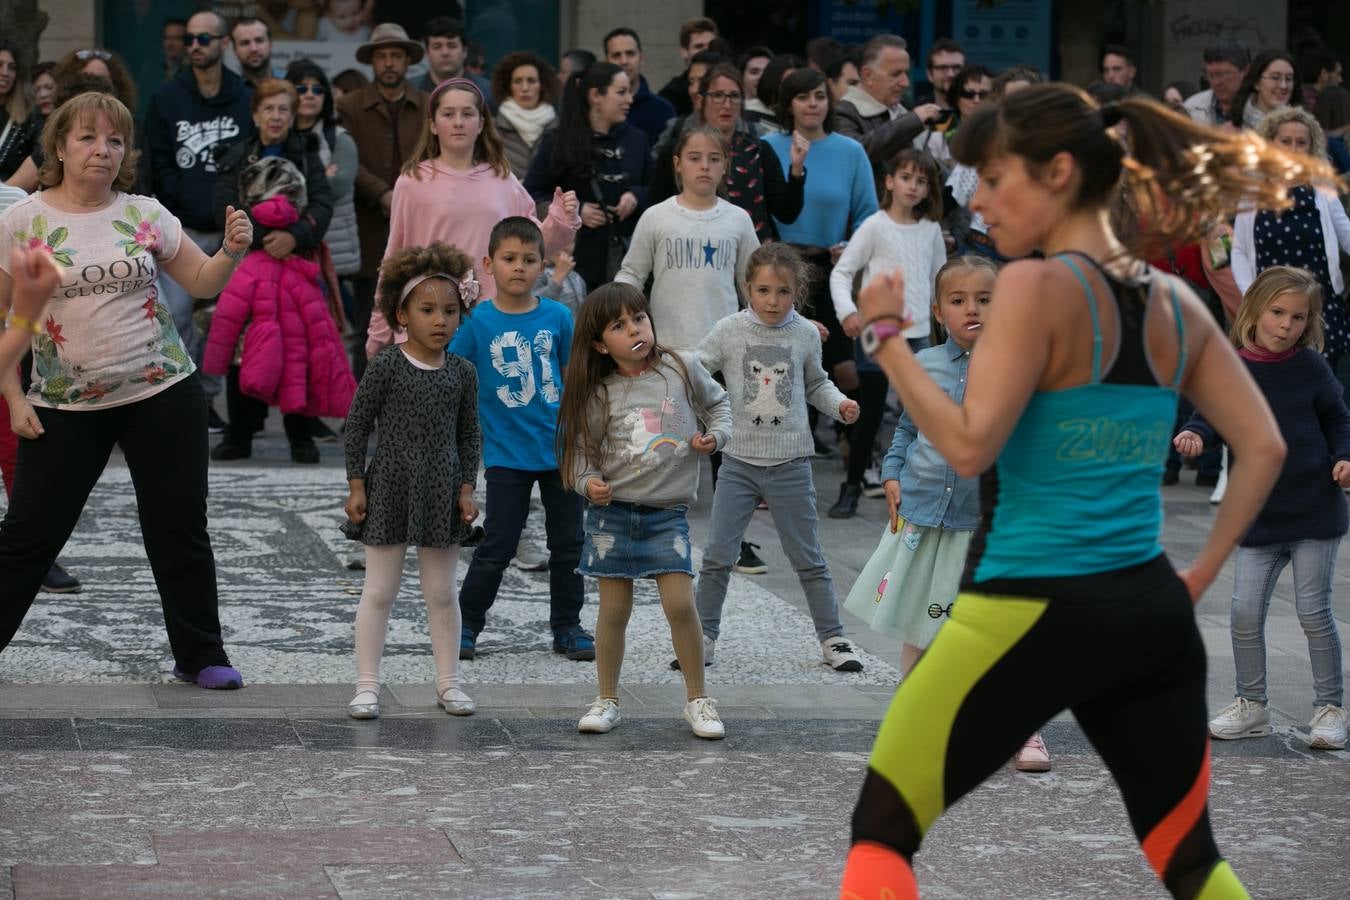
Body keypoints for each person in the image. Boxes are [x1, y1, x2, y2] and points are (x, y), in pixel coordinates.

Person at [836, 82, 1341, 899]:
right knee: (1191, 864)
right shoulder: (1176, 301)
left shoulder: (1034, 288)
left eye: (998, 180)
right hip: (1150, 619)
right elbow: (1263, 444)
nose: (984, 201)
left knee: (881, 840)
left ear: (1060, 172)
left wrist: (888, 337)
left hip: (1024, 608)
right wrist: (1201, 575)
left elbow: (967, 447)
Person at [0, 92, 255, 690]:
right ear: (59, 147)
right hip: (62, 403)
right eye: (88, 138)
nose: (102, 150)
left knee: (179, 526)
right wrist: (12, 398)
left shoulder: (144, 212)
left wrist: (232, 252)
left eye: (114, 140)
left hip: (162, 392)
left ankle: (200, 655)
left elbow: (199, 279)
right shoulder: (22, 220)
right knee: (28, 535)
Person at [1174, 266, 1347, 751]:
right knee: (1245, 613)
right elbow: (1206, 416)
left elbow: (1338, 419)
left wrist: (1345, 457)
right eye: (1277, 312)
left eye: (1298, 317)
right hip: (1256, 514)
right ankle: (1252, 704)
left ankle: (1329, 708)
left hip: (1314, 509)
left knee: (1314, 613)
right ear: (1253, 309)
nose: (1286, 325)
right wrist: (1195, 436)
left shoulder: (1311, 367)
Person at [558, 282, 732, 738]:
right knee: (613, 611)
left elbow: (720, 406)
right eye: (619, 326)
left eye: (639, 317)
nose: (634, 329)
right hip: (612, 515)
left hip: (667, 512)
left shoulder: (681, 366)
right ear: (600, 343)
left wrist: (715, 438)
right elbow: (579, 453)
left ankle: (698, 698)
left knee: (680, 603)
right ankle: (606, 699)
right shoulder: (600, 391)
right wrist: (586, 483)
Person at [690, 242, 864, 672]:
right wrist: (702, 415)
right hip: (738, 463)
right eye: (764, 290)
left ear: (797, 292)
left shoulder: (805, 333)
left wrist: (839, 404)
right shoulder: (729, 329)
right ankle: (701, 636)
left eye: (783, 292)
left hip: (790, 464)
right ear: (747, 286)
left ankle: (833, 638)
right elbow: (696, 368)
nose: (773, 300)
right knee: (717, 555)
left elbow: (817, 384)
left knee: (808, 556)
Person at [342, 242, 481, 720]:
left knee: (442, 592)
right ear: (401, 315)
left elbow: (469, 433)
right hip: (390, 488)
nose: (440, 320)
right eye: (427, 310)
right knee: (380, 590)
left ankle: (448, 683)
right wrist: (357, 484)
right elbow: (357, 424)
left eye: (449, 310)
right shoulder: (386, 366)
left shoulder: (463, 372)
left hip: (443, 492)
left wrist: (467, 489)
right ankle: (366, 685)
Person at [451, 217, 592, 663]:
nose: (519, 268)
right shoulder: (477, 323)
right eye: (509, 259)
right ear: (489, 264)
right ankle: (466, 623)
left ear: (543, 266)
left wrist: (585, 438)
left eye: (530, 260)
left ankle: (567, 627)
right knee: (499, 543)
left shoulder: (558, 316)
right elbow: (453, 378)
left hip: (560, 453)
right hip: (506, 455)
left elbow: (572, 378)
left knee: (568, 543)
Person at [365, 77, 578, 356]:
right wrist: (379, 329)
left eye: (467, 114)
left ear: (480, 124)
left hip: (492, 324)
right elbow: (394, 259)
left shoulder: (504, 180)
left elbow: (536, 249)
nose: (458, 122)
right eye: (448, 114)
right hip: (429, 322)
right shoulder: (412, 181)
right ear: (432, 124)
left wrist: (561, 219)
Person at [206, 77, 341, 464]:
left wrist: (295, 235)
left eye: (284, 109)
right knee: (242, 350)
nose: (276, 116)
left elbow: (322, 205)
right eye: (269, 109)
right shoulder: (236, 157)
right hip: (248, 268)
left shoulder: (306, 156)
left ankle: (300, 435)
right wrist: (265, 235)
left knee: (299, 348)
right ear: (256, 114)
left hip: (295, 267)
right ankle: (241, 433)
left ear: (293, 114)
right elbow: (223, 206)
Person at [143, 10, 253, 430]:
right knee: (179, 316)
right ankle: (187, 398)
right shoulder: (167, 99)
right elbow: (158, 160)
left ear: (224, 44)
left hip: (232, 230)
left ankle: (216, 401)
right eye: (190, 39)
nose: (194, 46)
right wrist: (176, 203)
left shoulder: (245, 97)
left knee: (225, 323)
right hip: (182, 227)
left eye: (204, 39)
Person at [828, 149, 946, 519]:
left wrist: (946, 327)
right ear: (890, 182)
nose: (913, 186)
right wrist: (848, 312)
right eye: (906, 177)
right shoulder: (875, 226)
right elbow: (842, 272)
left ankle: (914, 491)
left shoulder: (930, 232)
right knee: (873, 411)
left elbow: (941, 282)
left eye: (922, 181)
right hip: (878, 332)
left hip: (919, 336)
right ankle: (851, 487)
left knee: (918, 414)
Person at [764, 69, 878, 446]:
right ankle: (790, 451)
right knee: (783, 368)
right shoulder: (769, 146)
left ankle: (855, 453)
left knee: (844, 369)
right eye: (802, 97)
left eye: (819, 96)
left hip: (832, 270)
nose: (812, 104)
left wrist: (849, 244)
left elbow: (868, 215)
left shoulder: (851, 152)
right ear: (788, 104)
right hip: (780, 271)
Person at [616, 123, 759, 352]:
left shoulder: (739, 219)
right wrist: (615, 309)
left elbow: (754, 283)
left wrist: (785, 320)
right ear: (677, 164)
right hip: (667, 347)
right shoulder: (655, 216)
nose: (704, 166)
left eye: (714, 159)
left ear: (725, 165)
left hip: (724, 349)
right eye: (694, 158)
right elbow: (632, 273)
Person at [337, 22, 426, 380]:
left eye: (396, 56)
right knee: (366, 323)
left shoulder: (428, 105)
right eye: (382, 56)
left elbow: (434, 158)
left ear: (408, 61)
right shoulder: (350, 105)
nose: (389, 63)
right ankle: (363, 406)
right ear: (372, 62)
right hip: (368, 227)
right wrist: (383, 193)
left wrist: (408, 193)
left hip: (419, 223)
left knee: (419, 317)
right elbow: (345, 162)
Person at [1231, 107, 1350, 363]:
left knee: (1325, 393)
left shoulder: (1323, 191)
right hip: (1267, 314)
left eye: (1301, 142)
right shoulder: (1253, 193)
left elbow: (1347, 236)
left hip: (1319, 313)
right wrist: (1250, 295)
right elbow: (1239, 249)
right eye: (1285, 141)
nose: (1293, 149)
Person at [524, 62, 650, 292]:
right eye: (621, 92)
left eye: (629, 91)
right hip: (576, 263)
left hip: (628, 258)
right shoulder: (558, 142)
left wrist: (636, 194)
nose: (629, 100)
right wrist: (576, 211)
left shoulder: (638, 140)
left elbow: (656, 188)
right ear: (595, 96)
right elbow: (531, 193)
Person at [647, 64, 806, 243]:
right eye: (718, 96)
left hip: (754, 262)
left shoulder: (759, 151)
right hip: (692, 258)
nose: (727, 104)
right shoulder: (677, 150)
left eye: (734, 96)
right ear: (701, 100)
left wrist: (797, 171)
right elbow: (657, 213)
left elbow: (786, 214)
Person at [287, 59, 361, 337]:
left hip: (333, 251)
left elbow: (338, 186)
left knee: (335, 332)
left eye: (317, 90)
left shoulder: (339, 138)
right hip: (291, 248)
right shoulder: (278, 136)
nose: (309, 94)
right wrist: (318, 178)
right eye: (301, 88)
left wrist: (297, 184)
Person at [835, 34, 941, 192]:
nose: (905, 83)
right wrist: (912, 122)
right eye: (895, 74)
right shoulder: (842, 112)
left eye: (906, 73)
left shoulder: (907, 112)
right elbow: (856, 153)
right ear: (867, 75)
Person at [603, 27, 676, 148]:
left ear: (641, 58)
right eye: (616, 55)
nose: (624, 61)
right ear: (606, 61)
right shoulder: (596, 109)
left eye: (630, 53)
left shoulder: (663, 110)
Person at [490, 51, 558, 179]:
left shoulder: (559, 129)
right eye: (517, 81)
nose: (525, 88)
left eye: (531, 81)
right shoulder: (492, 130)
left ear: (542, 85)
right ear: (508, 86)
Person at [920, 64, 991, 172]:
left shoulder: (1004, 131)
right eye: (968, 94)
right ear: (956, 97)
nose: (976, 100)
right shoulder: (939, 130)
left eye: (983, 94)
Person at [410, 17, 492, 100]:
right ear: (427, 53)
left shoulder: (488, 92)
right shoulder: (410, 90)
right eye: (437, 47)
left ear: (464, 51)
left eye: (452, 46)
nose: (445, 52)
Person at [659, 16, 719, 116]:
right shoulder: (670, 96)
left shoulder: (732, 86)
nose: (707, 51)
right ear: (684, 52)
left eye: (711, 45)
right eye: (699, 46)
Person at [1229, 48, 1300, 130]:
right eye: (1275, 78)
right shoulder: (1230, 131)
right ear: (1256, 82)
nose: (1283, 85)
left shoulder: (1305, 128)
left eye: (1288, 79)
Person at [1184, 39, 1250, 127]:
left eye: (1223, 74)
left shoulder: (1264, 107)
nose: (1216, 82)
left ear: (1246, 70)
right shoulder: (1191, 107)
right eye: (1210, 75)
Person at [0, 40, 38, 181]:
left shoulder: (30, 116)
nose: (5, 73)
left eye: (12, 67)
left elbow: (42, 157)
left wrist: (7, 195)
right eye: (0, 65)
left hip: (12, 198)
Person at [913, 38, 964, 108]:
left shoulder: (979, 112)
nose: (951, 74)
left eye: (957, 67)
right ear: (930, 75)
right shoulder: (914, 112)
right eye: (943, 67)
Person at [231, 17, 281, 87]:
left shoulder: (291, 81)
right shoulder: (229, 90)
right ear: (235, 51)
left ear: (270, 44)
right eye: (245, 43)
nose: (253, 49)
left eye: (259, 41)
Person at [739, 46, 773, 114]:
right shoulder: (733, 111)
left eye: (767, 72)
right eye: (754, 72)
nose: (761, 77)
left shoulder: (784, 114)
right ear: (742, 76)